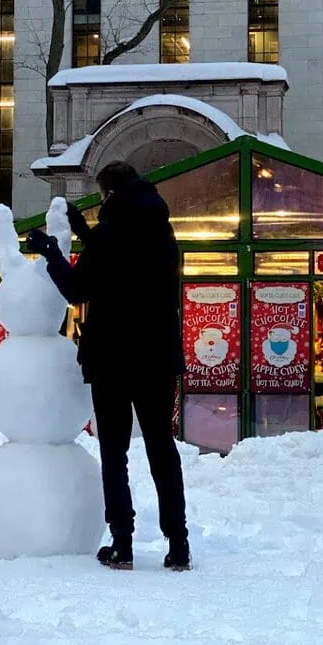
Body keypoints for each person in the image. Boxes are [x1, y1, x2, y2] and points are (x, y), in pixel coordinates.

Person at [28, 161, 190, 571]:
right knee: (161, 448)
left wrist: (49, 252)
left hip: (114, 359)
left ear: (110, 195)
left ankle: (122, 544)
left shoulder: (110, 234)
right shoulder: (161, 229)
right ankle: (179, 544)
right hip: (156, 357)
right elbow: (123, 262)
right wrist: (88, 234)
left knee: (114, 452)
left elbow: (79, 288)